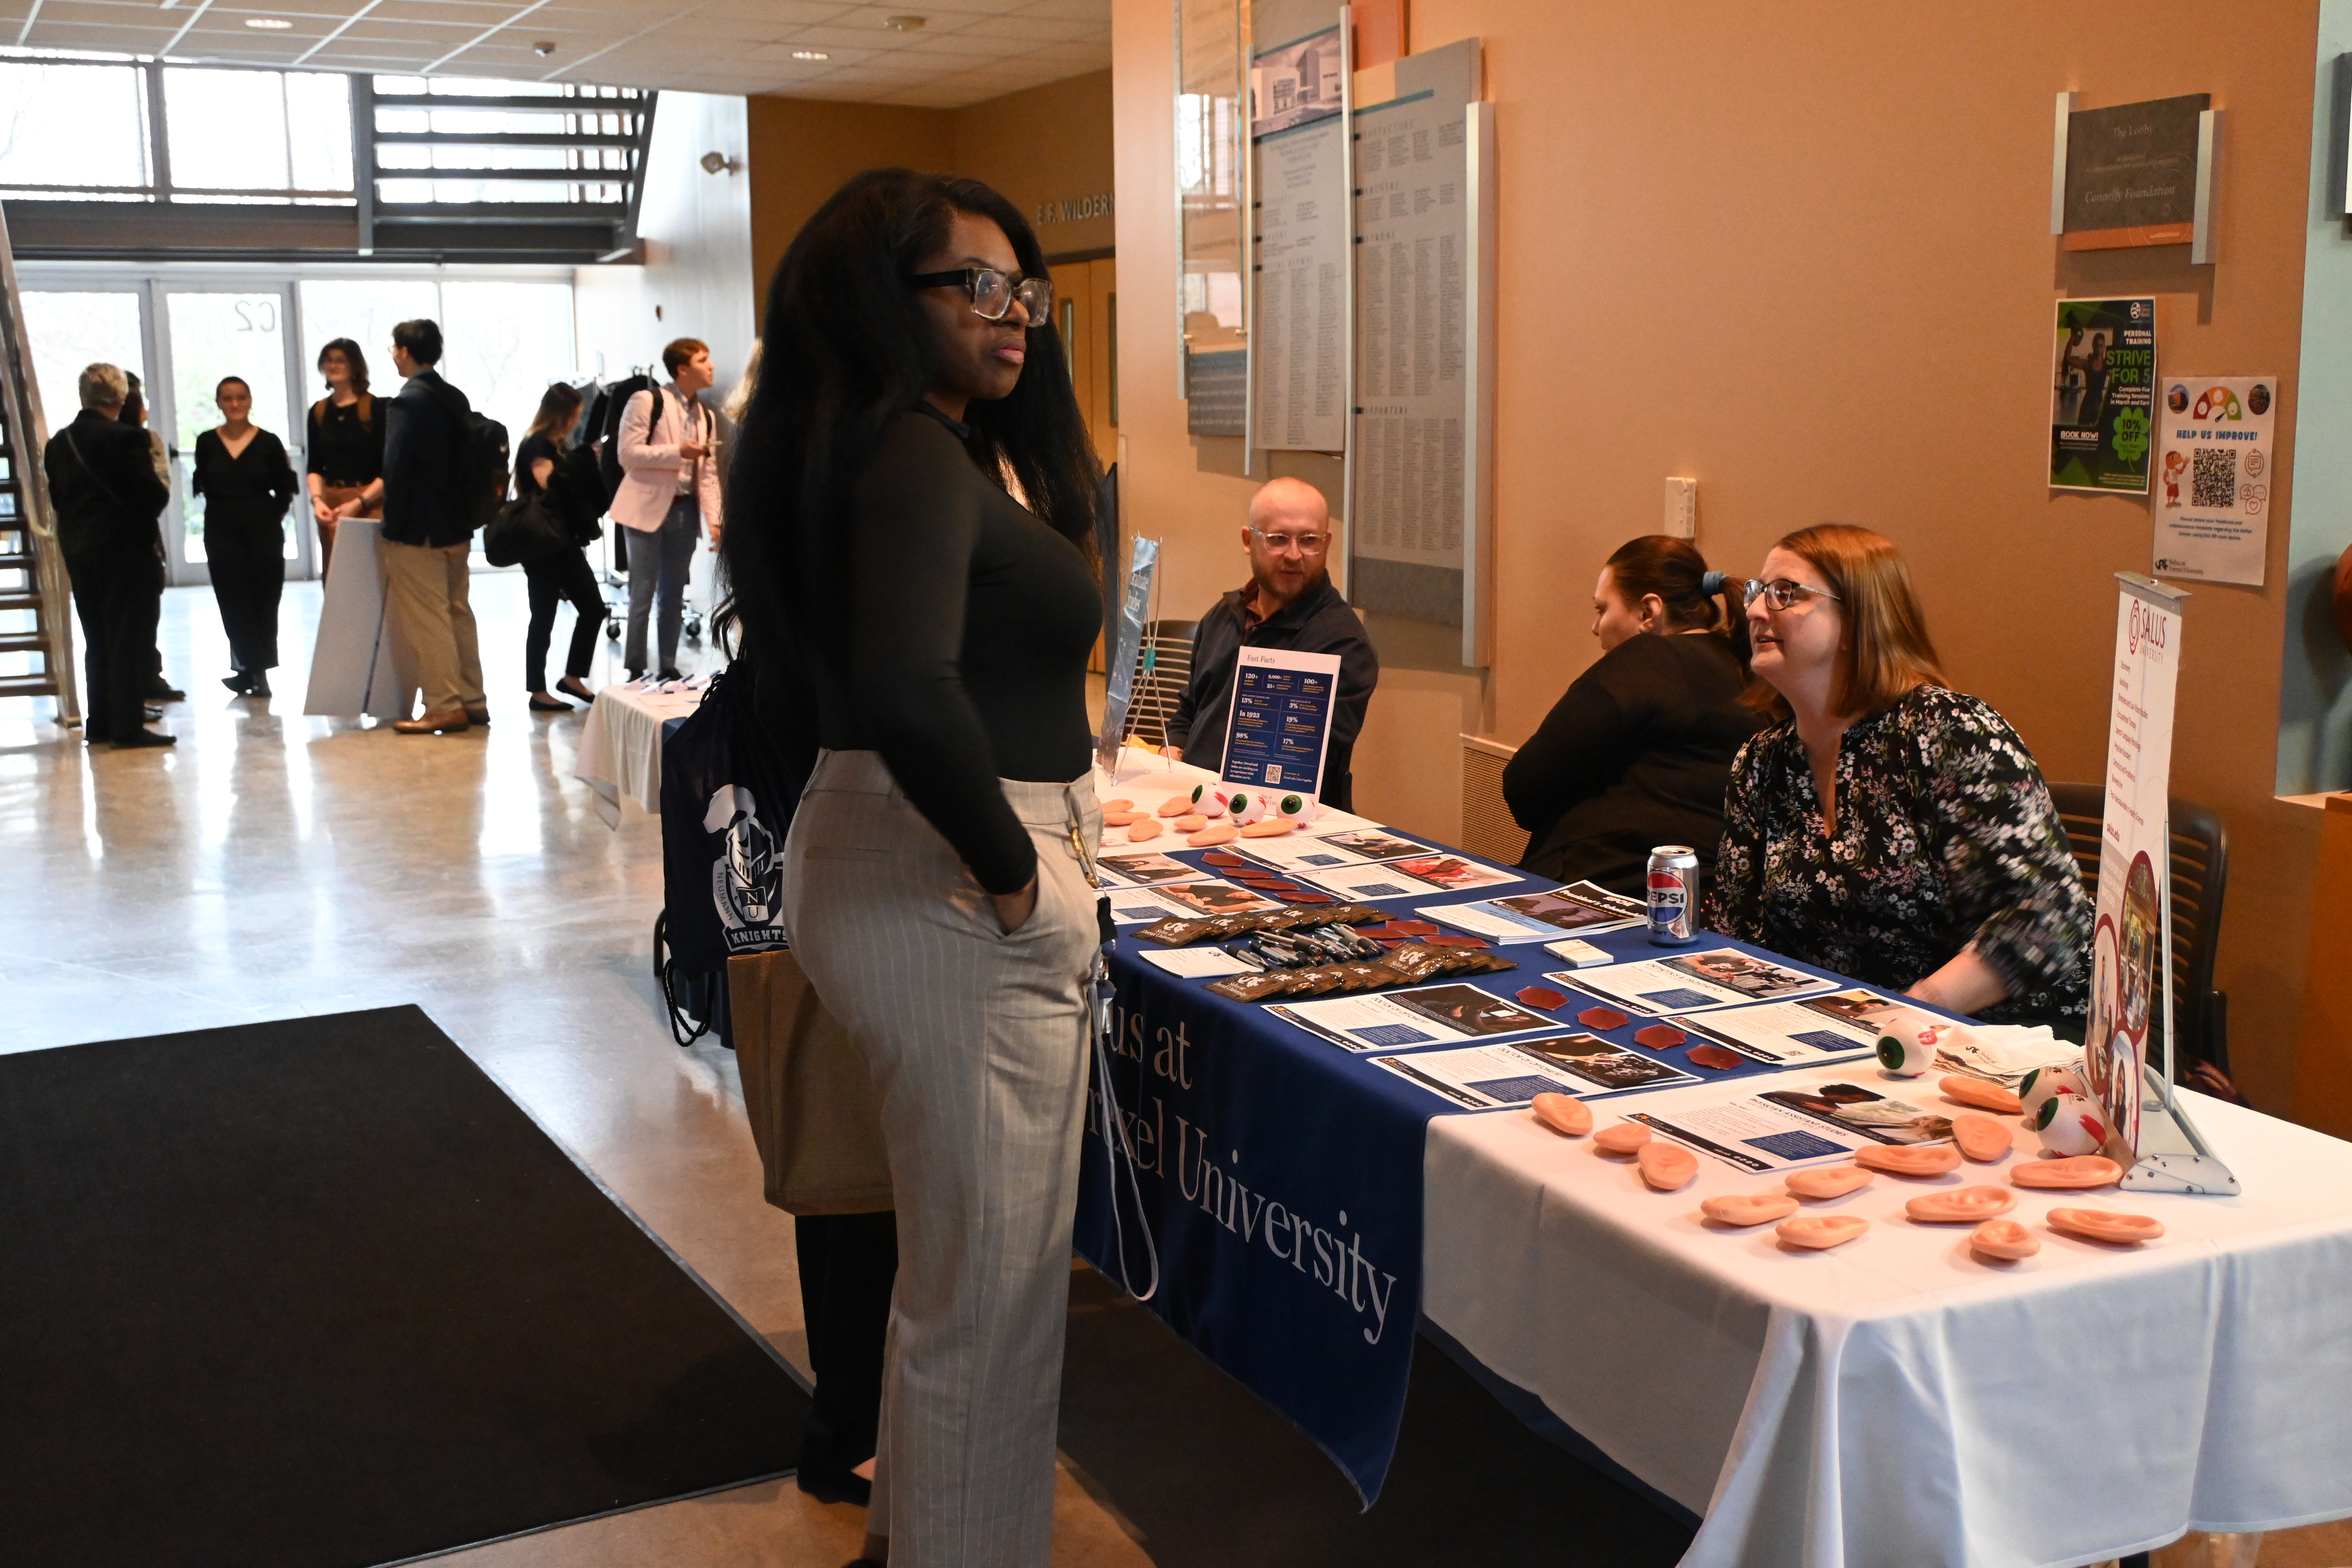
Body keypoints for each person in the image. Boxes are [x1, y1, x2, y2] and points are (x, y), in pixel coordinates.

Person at [726, 168, 1103, 1568]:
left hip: (902, 854)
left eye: (1024, 290)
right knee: (989, 1298)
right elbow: (905, 688)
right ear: (882, 302)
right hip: (949, 871)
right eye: (975, 287)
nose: (1012, 316)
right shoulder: (907, 451)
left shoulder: (888, 449)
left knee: (958, 1279)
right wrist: (1021, 882)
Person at [1706, 523, 2090, 1026]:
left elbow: (2050, 918)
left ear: (1857, 620)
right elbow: (1736, 936)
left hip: (2005, 1035)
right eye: (1759, 592)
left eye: (1786, 593)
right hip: (1847, 1034)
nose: (1756, 609)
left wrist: (1908, 1009)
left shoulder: (1947, 732)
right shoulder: (1762, 762)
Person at [1502, 535, 1762, 895]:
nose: (1596, 628)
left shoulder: (1646, 658)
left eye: (1602, 610)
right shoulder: (1745, 667)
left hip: (1607, 887)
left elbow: (1524, 787)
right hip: (1703, 897)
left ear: (1647, 613)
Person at [1160, 476, 1379, 810]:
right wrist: (1173, 753)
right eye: (1278, 539)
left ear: (1327, 543)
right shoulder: (1223, 616)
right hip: (1195, 797)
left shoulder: (1343, 644)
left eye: (1309, 540)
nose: (1294, 555)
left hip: (1277, 815)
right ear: (1248, 540)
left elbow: (1304, 763)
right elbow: (1189, 711)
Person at [44, 363, 175, 748]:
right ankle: (127, 727)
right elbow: (153, 496)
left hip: (78, 549)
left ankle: (99, 723)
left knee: (97, 637)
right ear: (121, 398)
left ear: (83, 395)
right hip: (125, 551)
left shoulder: (59, 443)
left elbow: (58, 498)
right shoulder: (127, 439)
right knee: (128, 637)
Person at [378, 318, 486, 735]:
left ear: (405, 351)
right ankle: (473, 699)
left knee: (429, 619)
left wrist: (393, 528)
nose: (394, 356)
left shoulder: (408, 403)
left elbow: (397, 470)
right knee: (458, 613)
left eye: (395, 349)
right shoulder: (453, 397)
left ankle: (443, 705)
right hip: (456, 525)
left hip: (418, 530)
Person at [612, 337, 722, 680]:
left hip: (685, 510)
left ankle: (668, 666)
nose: (712, 366)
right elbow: (627, 454)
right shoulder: (647, 401)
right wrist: (678, 452)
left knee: (674, 594)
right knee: (642, 591)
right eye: (703, 360)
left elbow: (708, 474)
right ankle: (635, 667)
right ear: (682, 369)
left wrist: (715, 520)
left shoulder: (705, 415)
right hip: (645, 507)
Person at [191, 376, 297, 699]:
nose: (235, 404)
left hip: (263, 528)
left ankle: (257, 671)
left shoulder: (269, 442)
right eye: (228, 398)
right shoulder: (207, 442)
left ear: (250, 401)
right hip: (221, 528)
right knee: (232, 599)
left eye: (241, 397)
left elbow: (285, 489)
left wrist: (268, 516)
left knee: (264, 598)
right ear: (218, 403)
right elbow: (203, 483)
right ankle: (248, 668)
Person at [514, 382, 604, 711]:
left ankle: (572, 677)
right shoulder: (537, 444)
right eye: (575, 414)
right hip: (543, 544)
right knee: (544, 615)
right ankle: (538, 690)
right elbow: (549, 485)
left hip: (562, 542)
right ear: (562, 414)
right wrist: (582, 462)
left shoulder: (556, 445)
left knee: (593, 608)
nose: (578, 421)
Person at [118, 373, 184, 705]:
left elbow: (162, 484)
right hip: (115, 536)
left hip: (144, 530)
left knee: (148, 609)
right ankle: (129, 687)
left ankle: (149, 675)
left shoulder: (149, 439)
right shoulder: (102, 439)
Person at [304, 338, 386, 579]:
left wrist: (359, 502)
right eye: (328, 360)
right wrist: (318, 501)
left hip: (369, 501)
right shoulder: (319, 411)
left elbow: (388, 469)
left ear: (355, 366)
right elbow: (315, 465)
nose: (333, 366)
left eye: (341, 360)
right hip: (331, 502)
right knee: (335, 577)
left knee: (368, 578)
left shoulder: (375, 408)